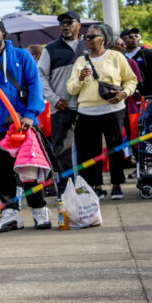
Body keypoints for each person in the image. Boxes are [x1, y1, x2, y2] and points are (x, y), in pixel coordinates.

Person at [0, 11, 49, 233]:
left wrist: (30, 115)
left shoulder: (22, 56)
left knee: (29, 170)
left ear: (3, 32)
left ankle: (39, 209)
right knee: (2, 174)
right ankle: (11, 214)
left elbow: (35, 86)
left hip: (23, 125)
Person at [66, 23, 138, 199]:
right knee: (89, 152)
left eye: (92, 36)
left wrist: (124, 93)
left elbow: (131, 80)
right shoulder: (80, 61)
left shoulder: (116, 57)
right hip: (87, 112)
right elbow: (71, 89)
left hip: (113, 109)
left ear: (103, 39)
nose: (87, 39)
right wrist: (80, 78)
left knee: (115, 148)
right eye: (86, 37)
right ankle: (96, 186)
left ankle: (116, 185)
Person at [37, 11, 87, 189]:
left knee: (86, 148)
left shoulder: (88, 44)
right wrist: (54, 99)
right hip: (61, 107)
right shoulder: (50, 48)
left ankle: (87, 186)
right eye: (62, 23)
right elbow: (40, 76)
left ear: (78, 24)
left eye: (69, 22)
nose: (65, 25)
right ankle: (66, 187)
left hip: (86, 106)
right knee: (62, 150)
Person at [121, 27, 152, 99]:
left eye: (136, 36)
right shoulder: (120, 57)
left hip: (147, 97)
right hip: (127, 97)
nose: (134, 38)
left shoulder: (149, 54)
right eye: (130, 36)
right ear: (122, 40)